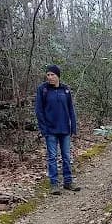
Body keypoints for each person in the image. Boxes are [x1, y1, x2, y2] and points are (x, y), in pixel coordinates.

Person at [34, 64, 81, 194]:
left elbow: (71, 109)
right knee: (52, 157)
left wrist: (74, 127)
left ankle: (68, 182)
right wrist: (43, 129)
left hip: (65, 128)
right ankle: (54, 184)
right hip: (50, 130)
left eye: (52, 75)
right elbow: (39, 110)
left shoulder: (65, 90)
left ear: (58, 76)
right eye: (48, 75)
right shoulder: (42, 90)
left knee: (66, 156)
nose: (50, 77)